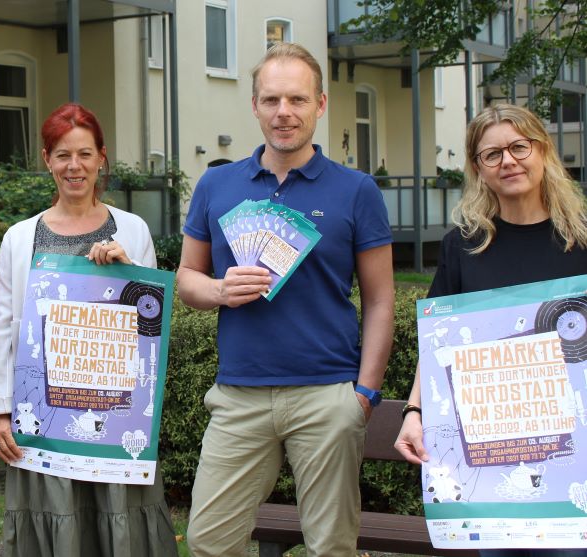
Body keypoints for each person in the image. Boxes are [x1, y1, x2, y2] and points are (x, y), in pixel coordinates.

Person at [176, 42, 395, 557]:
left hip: (327, 394)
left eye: (297, 100)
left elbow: (381, 299)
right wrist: (219, 290)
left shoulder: (357, 190)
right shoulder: (217, 184)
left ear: (320, 105)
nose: (284, 113)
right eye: (271, 100)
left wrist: (363, 395)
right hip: (239, 394)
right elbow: (187, 277)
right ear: (254, 105)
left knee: (331, 547)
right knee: (209, 542)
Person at [394, 104, 587, 557]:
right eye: (493, 154)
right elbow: (438, 339)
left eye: (520, 147)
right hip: (491, 447)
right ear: (478, 168)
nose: (509, 161)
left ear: (543, 151)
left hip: (574, 449)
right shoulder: (462, 244)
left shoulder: (581, 239)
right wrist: (413, 411)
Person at [0, 102, 178, 557]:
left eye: (85, 154)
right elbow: (7, 328)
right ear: (47, 160)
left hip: (114, 414)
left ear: (102, 158)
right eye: (63, 155)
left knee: (118, 527)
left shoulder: (131, 230)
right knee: (57, 523)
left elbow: (152, 327)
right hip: (45, 414)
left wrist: (129, 271)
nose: (75, 166)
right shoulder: (20, 237)